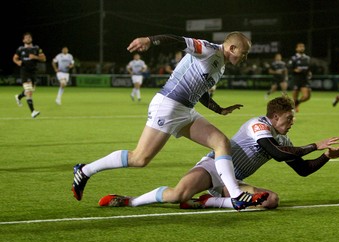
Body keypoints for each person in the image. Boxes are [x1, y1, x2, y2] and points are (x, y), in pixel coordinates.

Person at [71, 32, 269, 210]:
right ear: (232, 48)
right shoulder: (208, 50)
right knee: (139, 159)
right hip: (168, 106)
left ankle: (236, 195)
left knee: (221, 142)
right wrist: (149, 40)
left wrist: (220, 109)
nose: (244, 58)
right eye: (243, 53)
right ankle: (85, 170)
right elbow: (178, 40)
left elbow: (200, 92)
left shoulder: (221, 66)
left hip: (184, 110)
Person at [97, 96, 339, 210]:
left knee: (272, 200)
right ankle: (129, 200)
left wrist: (326, 156)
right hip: (214, 168)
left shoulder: (283, 137)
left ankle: (210, 202)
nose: (292, 122)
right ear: (274, 116)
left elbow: (302, 170)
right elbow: (275, 153)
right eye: (288, 118)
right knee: (177, 196)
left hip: (235, 183)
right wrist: (313, 146)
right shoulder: (258, 125)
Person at [13, 32, 46, 118]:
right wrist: (17, 62)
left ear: (31, 39)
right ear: (23, 40)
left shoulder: (36, 48)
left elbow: (44, 58)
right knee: (29, 92)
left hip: (33, 72)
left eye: (29, 37)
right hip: (25, 72)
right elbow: (14, 58)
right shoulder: (20, 49)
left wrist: (35, 57)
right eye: (26, 37)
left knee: (30, 90)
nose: (28, 38)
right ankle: (33, 111)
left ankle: (19, 97)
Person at [287, 42, 312, 112]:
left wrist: (309, 72)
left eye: (303, 47)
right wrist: (294, 70)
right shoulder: (293, 58)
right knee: (295, 97)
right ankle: (291, 115)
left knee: (307, 96)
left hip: (305, 79)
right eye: (300, 47)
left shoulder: (307, 58)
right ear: (296, 49)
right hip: (296, 79)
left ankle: (297, 103)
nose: (302, 48)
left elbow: (309, 68)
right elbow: (289, 68)